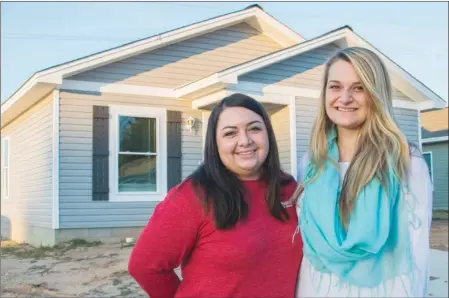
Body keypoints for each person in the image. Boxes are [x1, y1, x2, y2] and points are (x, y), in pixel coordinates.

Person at [128, 93, 303, 298]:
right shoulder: (194, 196)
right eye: (230, 133)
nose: (245, 141)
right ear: (215, 143)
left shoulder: (289, 188)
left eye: (254, 128)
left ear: (268, 134)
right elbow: (145, 267)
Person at [292, 47, 433, 297]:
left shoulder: (406, 163)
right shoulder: (311, 164)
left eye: (359, 88)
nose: (344, 98)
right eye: (335, 87)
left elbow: (418, 252)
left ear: (375, 94)